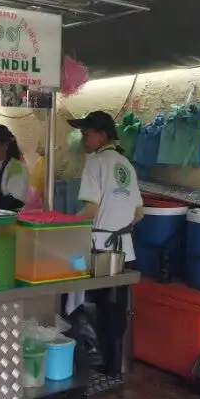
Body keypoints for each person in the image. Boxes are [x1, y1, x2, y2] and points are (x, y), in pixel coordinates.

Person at [68, 111, 144, 376]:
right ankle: (114, 370)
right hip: (125, 250)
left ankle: (94, 367)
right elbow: (138, 214)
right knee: (115, 310)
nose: (83, 139)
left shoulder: (95, 163)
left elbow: (90, 210)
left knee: (89, 306)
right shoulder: (126, 165)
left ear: (102, 135)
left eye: (86, 134)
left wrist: (64, 226)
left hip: (100, 250)